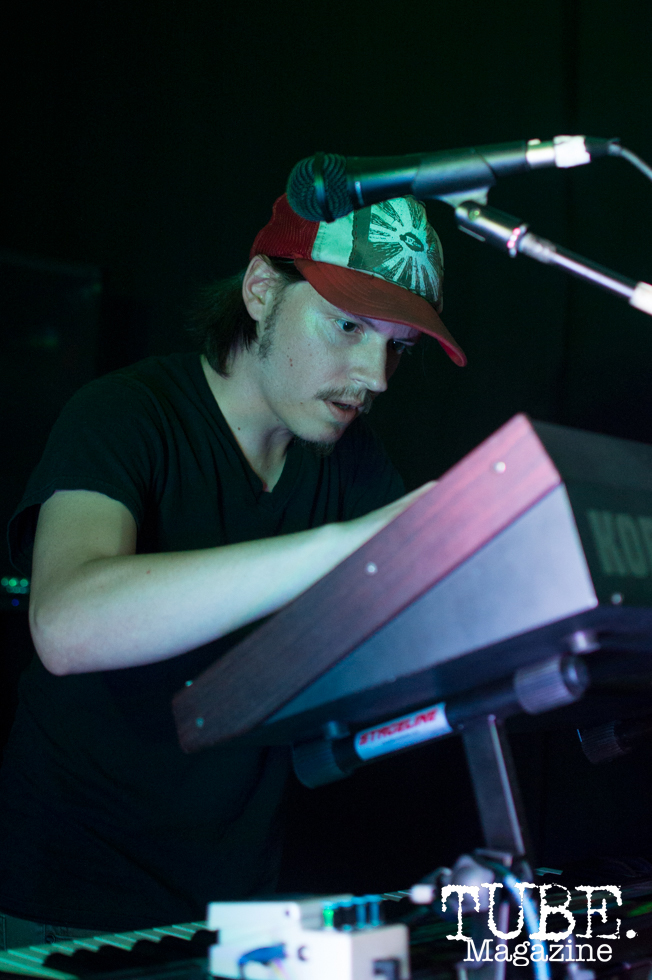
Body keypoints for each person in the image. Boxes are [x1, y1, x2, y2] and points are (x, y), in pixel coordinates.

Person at [0, 192, 466, 946]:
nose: (375, 376)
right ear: (261, 291)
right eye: (348, 326)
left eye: (397, 347)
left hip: (233, 906)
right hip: (63, 903)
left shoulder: (351, 462)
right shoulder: (125, 414)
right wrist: (348, 545)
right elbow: (64, 625)